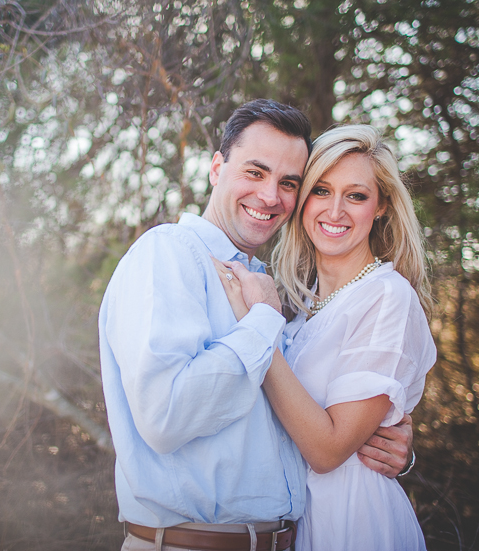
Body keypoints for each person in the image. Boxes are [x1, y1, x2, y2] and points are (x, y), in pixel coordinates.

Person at [98, 100, 414, 551]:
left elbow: (296, 421)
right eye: (255, 172)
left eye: (288, 183)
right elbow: (165, 417)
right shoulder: (167, 254)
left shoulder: (267, 288)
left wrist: (383, 439)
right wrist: (262, 323)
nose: (270, 196)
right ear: (216, 168)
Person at [214, 124, 436, 550]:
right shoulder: (301, 306)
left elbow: (329, 449)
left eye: (356, 195)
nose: (335, 211)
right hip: (296, 524)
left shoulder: (387, 296)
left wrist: (260, 324)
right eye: (321, 191)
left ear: (382, 207)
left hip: (353, 524)